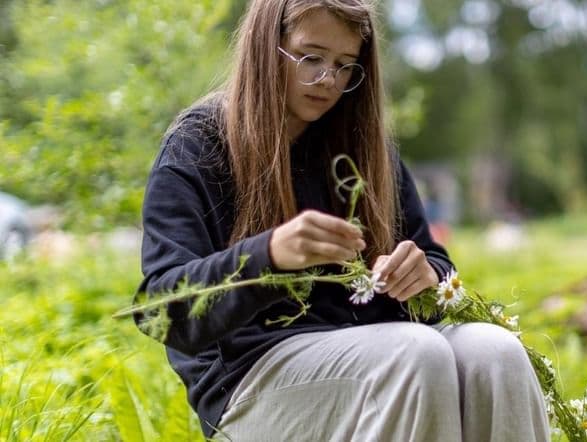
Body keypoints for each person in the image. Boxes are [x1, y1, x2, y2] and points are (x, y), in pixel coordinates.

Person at [135, 0, 549, 440]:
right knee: (417, 353)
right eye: (310, 57)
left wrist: (427, 273)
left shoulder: (362, 146)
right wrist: (267, 256)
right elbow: (161, 310)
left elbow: (433, 258)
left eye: (344, 65)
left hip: (381, 354)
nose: (327, 80)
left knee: (496, 352)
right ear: (266, 45)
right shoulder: (198, 145)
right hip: (250, 384)